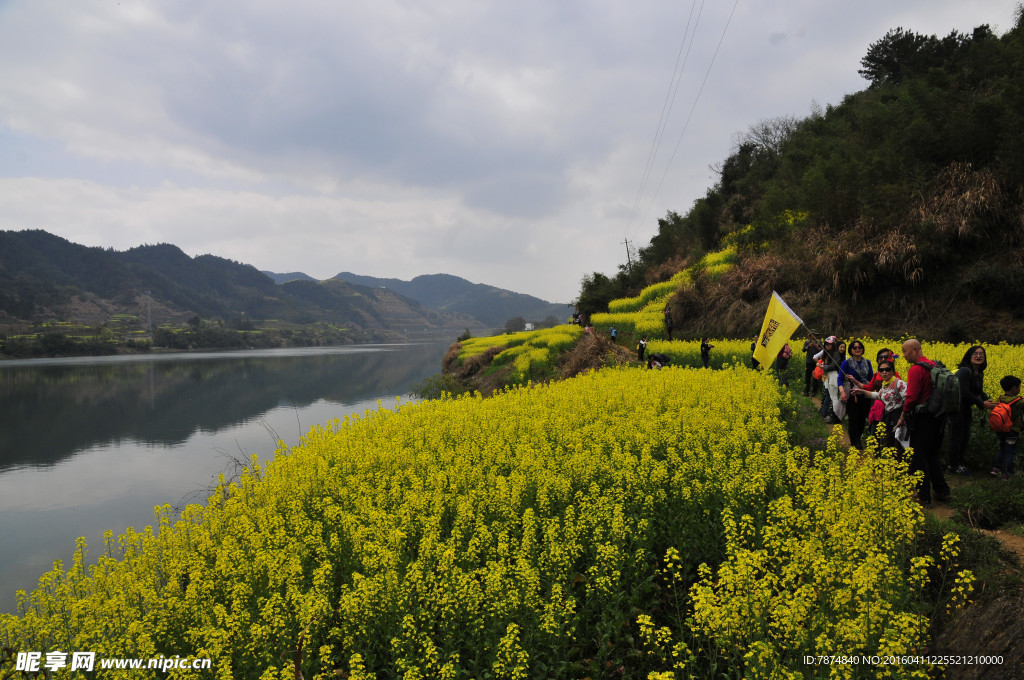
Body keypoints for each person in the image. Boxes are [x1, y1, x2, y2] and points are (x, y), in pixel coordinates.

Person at [896, 339, 952, 506]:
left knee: (919, 457)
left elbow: (911, 397)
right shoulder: (934, 365)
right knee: (932, 455)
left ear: (915, 350)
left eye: (905, 351)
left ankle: (924, 497)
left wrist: (903, 415)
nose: (903, 355)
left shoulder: (916, 369)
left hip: (922, 418)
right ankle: (942, 491)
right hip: (938, 417)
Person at [948, 345, 996, 475]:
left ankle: (960, 464)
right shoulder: (964, 371)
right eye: (975, 353)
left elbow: (978, 390)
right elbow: (964, 392)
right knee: (957, 437)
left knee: (964, 436)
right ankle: (954, 466)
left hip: (966, 408)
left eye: (981, 354)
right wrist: (982, 404)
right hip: (956, 409)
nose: (979, 356)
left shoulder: (979, 373)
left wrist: (989, 400)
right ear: (969, 356)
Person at [853, 359, 907, 457]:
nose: (884, 372)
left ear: (893, 371)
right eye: (881, 370)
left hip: (899, 420)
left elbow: (908, 401)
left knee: (899, 447)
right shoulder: (885, 385)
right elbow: (879, 395)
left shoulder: (899, 383)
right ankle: (890, 467)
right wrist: (862, 392)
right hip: (889, 419)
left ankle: (901, 469)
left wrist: (902, 418)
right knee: (888, 445)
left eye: (887, 369)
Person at [841, 340, 874, 450]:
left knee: (862, 418)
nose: (857, 349)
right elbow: (840, 379)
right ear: (851, 350)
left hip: (865, 393)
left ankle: (858, 437)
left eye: (859, 347)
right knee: (853, 418)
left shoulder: (867, 362)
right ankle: (854, 441)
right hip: (852, 394)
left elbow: (871, 378)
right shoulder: (847, 363)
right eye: (854, 348)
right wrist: (842, 392)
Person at [991, 375, 1022, 481]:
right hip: (1013, 431)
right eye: (1019, 387)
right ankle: (1006, 474)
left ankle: (995, 469)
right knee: (1010, 451)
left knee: (1002, 449)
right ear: (1014, 388)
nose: (1020, 389)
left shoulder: (1000, 398)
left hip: (1000, 430)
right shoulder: (1018, 401)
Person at [818, 336, 846, 424]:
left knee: (834, 397)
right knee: (831, 396)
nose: (827, 346)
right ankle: (831, 414)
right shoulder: (828, 353)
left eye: (829, 345)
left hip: (834, 376)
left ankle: (836, 416)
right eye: (826, 344)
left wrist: (822, 367)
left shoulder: (835, 354)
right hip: (828, 376)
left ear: (833, 345)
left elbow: (833, 366)